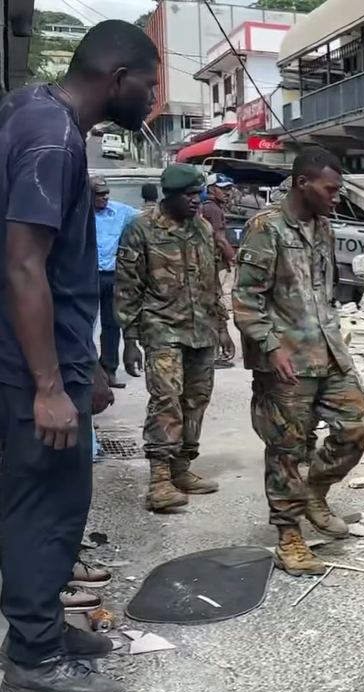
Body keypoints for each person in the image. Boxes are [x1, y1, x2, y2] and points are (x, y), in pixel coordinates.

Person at [0, 19, 158, 692]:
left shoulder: (29, 110)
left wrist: (86, 364)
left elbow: (54, 274)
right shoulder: (51, 139)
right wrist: (47, 386)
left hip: (49, 354)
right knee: (47, 505)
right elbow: (24, 265)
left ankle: (40, 631)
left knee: (52, 500)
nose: (151, 100)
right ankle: (33, 657)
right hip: (25, 367)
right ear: (117, 79)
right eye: (149, 86)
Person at [235, 148, 364, 576]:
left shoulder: (325, 228)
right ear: (303, 183)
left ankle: (315, 489)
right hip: (287, 361)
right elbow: (245, 300)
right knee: (286, 449)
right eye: (331, 189)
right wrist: (270, 347)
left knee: (357, 425)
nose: (337, 196)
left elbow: (324, 291)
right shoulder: (266, 229)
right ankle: (289, 533)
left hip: (329, 351)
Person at [115, 164, 230, 513]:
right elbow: (127, 288)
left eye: (200, 195)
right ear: (171, 196)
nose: (197, 201)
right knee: (166, 400)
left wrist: (223, 327)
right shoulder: (141, 229)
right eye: (190, 196)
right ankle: (159, 480)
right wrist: (130, 340)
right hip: (161, 328)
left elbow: (212, 282)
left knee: (196, 400)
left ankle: (182, 469)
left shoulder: (203, 229)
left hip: (202, 331)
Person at [92, 176, 137, 389]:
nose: (105, 197)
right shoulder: (77, 213)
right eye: (100, 194)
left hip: (112, 275)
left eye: (106, 193)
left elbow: (145, 220)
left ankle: (109, 370)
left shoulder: (120, 212)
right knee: (85, 325)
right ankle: (89, 372)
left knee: (112, 324)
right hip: (87, 276)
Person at [201, 173, 237, 369]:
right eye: (223, 189)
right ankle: (213, 355)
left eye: (229, 189)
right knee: (216, 305)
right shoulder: (213, 209)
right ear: (211, 189)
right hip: (212, 264)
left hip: (206, 263)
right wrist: (233, 258)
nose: (228, 193)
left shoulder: (206, 207)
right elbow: (220, 239)